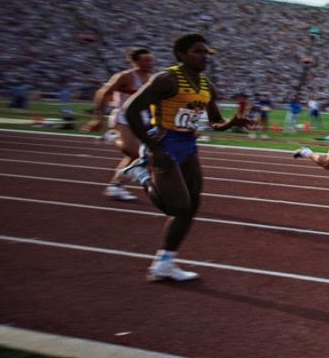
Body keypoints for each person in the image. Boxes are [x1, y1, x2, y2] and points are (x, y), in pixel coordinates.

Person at [118, 34, 256, 282]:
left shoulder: (207, 86)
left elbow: (215, 122)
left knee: (191, 206)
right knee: (176, 206)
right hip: (164, 143)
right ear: (180, 54)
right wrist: (152, 147)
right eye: (197, 52)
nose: (204, 57)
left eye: (206, 53)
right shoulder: (167, 80)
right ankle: (140, 172)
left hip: (188, 145)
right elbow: (131, 110)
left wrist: (233, 122)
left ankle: (164, 263)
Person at [83, 47, 157, 201]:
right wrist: (98, 117)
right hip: (123, 118)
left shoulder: (152, 79)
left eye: (151, 60)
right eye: (146, 60)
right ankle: (116, 137)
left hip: (142, 120)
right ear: (136, 62)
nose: (150, 63)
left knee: (144, 157)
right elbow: (103, 93)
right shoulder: (126, 77)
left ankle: (115, 186)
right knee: (135, 154)